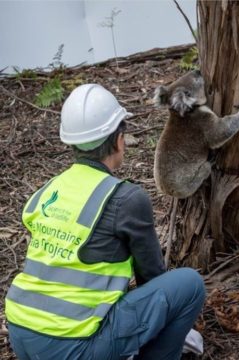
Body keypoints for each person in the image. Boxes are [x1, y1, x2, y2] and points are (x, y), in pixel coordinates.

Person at [4, 84, 205, 360]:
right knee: (188, 285)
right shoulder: (127, 198)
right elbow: (152, 278)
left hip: (21, 333)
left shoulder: (50, 188)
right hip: (72, 348)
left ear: (71, 142)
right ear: (119, 140)